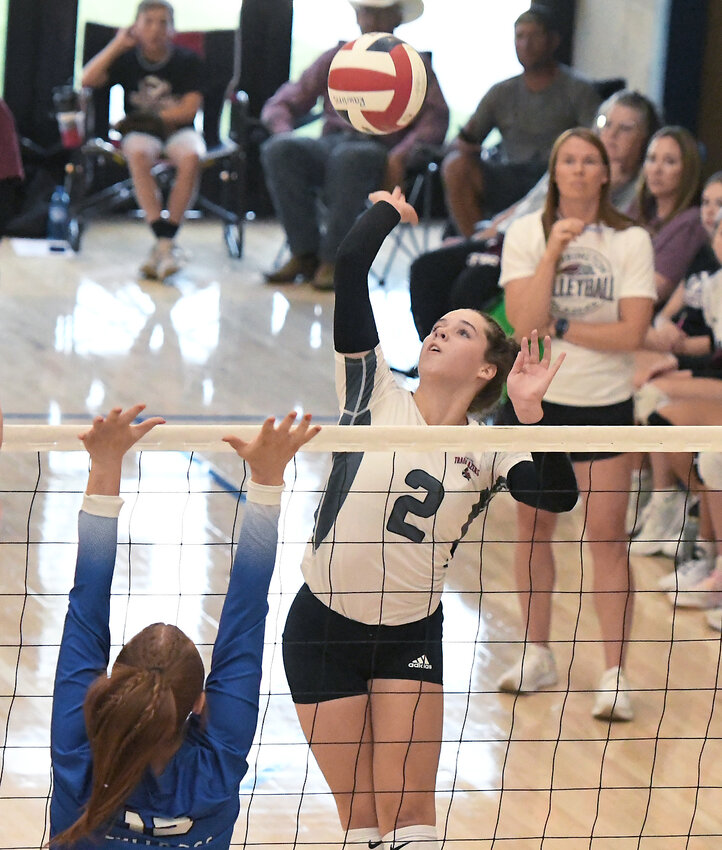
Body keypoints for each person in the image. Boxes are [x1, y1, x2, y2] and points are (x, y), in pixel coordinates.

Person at [281, 187, 578, 850]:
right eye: (440, 325)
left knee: (411, 819)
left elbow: (557, 498)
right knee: (361, 822)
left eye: (463, 330)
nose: (442, 331)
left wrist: (532, 418)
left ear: (490, 369)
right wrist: (390, 207)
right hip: (321, 627)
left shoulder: (490, 448)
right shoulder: (371, 392)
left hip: (410, 634)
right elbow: (352, 265)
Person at [49, 403, 320, 848]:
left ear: (114, 685)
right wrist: (268, 478)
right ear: (199, 702)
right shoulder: (216, 764)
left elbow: (86, 602)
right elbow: (246, 612)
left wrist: (105, 465)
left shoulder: (80, 750)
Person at [497, 128, 656, 721]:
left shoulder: (632, 239)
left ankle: (615, 672)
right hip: (539, 403)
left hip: (605, 403)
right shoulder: (526, 233)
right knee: (534, 529)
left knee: (607, 536)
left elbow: (631, 333)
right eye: (569, 160)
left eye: (591, 161)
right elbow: (521, 323)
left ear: (605, 173)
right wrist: (552, 253)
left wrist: (565, 330)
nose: (581, 170)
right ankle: (536, 652)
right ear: (555, 171)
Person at [409, 90, 660, 343]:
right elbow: (526, 204)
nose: (611, 135)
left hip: (548, 249)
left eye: (625, 128)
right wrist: (483, 234)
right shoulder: (573, 157)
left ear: (645, 139)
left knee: (470, 285)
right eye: (606, 123)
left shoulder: (641, 185)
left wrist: (607, 187)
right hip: (510, 236)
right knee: (425, 269)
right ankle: (434, 357)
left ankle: (464, 363)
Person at [260, 0, 449, 291]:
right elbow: (285, 100)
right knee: (279, 150)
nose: (372, 19)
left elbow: (435, 120)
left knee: (352, 157)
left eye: (381, 12)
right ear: (357, 16)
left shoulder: (413, 65)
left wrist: (400, 155)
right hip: (331, 142)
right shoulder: (337, 58)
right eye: (366, 11)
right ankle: (304, 252)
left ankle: (334, 260)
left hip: (379, 149)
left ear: (396, 18)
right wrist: (282, 130)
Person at [441, 5, 600, 239]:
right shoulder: (500, 92)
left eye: (534, 36)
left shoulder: (579, 90)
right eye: (520, 36)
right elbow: (466, 139)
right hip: (507, 174)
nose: (526, 44)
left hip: (552, 178)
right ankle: (475, 247)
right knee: (455, 165)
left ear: (553, 41)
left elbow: (594, 145)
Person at [81, 0, 205, 281]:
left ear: (173, 29)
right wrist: (117, 46)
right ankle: (164, 243)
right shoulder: (126, 58)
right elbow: (87, 79)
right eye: (148, 21)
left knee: (192, 156)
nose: (155, 29)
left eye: (163, 23)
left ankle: (165, 239)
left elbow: (189, 109)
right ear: (135, 26)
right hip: (141, 135)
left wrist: (152, 119)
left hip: (178, 130)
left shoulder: (187, 61)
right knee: (137, 152)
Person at [631, 125, 706, 304]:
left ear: (687, 170)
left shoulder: (691, 222)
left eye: (669, 162)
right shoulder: (638, 211)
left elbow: (653, 291)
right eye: (651, 159)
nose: (656, 169)